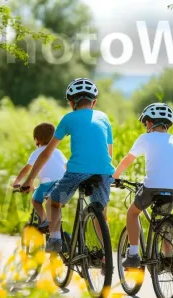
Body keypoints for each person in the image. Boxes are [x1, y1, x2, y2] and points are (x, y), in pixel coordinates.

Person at [21, 78, 115, 253]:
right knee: (100, 214)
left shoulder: (68, 118)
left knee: (53, 203)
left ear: (72, 103)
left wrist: (30, 179)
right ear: (94, 102)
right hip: (103, 172)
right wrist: (109, 175)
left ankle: (56, 239)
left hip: (76, 174)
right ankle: (105, 257)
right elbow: (109, 153)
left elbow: (47, 152)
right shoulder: (104, 118)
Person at [113, 103, 173, 268]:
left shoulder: (145, 138)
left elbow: (128, 159)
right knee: (164, 218)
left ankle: (132, 254)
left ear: (150, 123)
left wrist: (114, 177)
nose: (145, 126)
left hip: (152, 186)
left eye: (145, 123)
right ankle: (168, 258)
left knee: (132, 213)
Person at [12, 123, 67, 229]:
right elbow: (66, 166)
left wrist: (17, 181)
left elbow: (26, 169)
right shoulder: (58, 152)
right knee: (55, 205)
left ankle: (45, 220)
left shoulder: (38, 152)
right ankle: (58, 233)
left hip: (48, 184)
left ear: (37, 139)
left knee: (35, 200)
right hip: (63, 184)